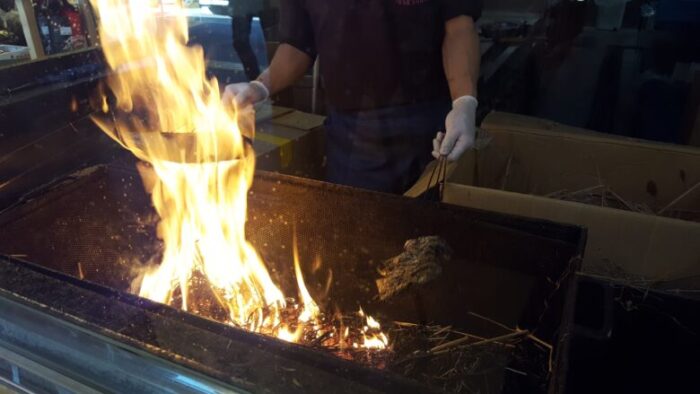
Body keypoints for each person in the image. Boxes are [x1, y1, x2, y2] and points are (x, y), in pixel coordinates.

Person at [224, 0, 482, 194]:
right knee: (359, 237)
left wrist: (464, 102)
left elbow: (459, 26)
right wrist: (260, 86)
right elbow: (298, 44)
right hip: (353, 135)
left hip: (429, 125)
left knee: (429, 239)